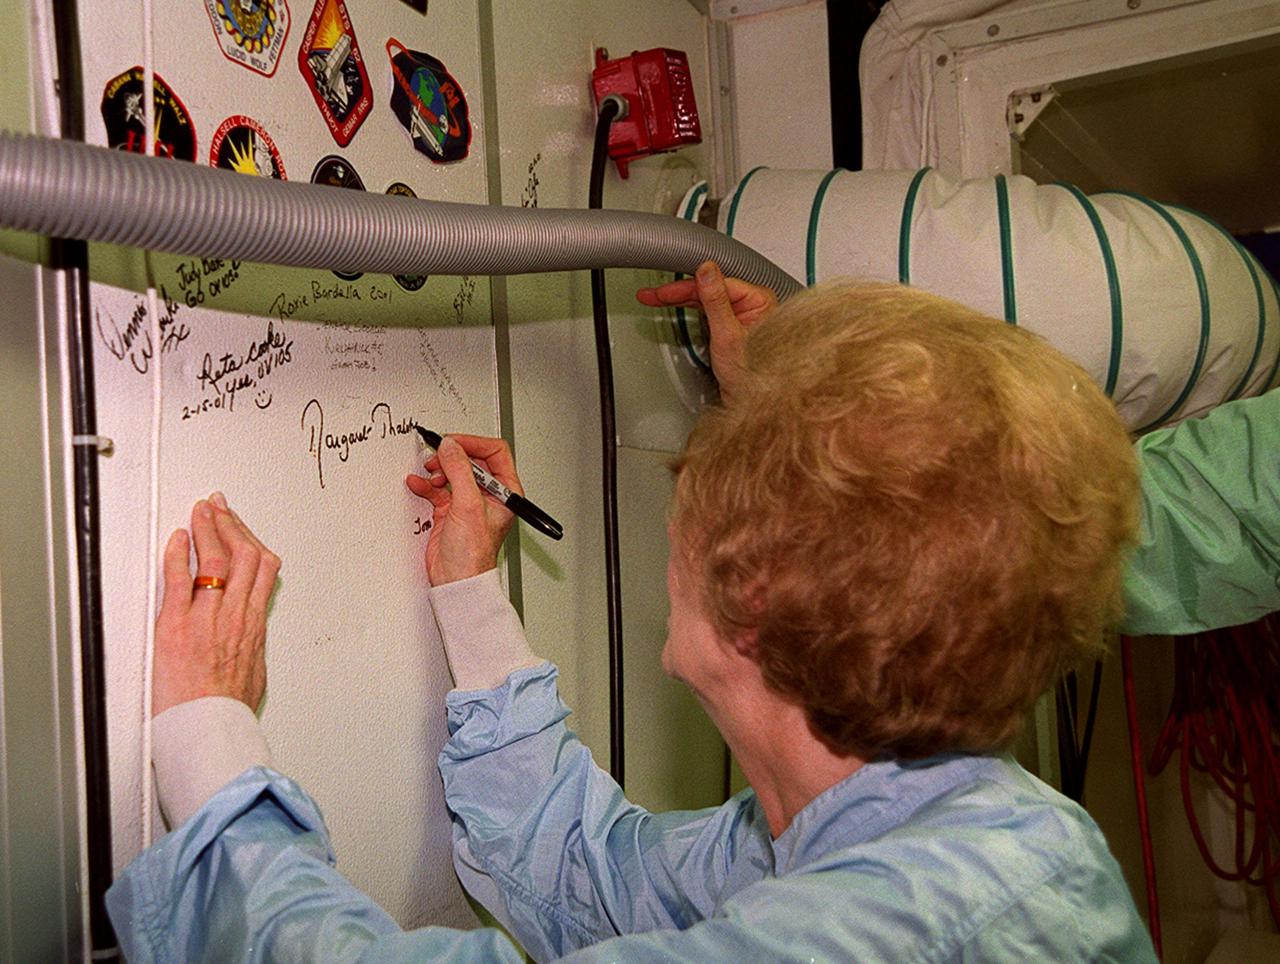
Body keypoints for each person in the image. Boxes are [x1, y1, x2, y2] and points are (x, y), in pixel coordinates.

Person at [107, 263, 1164, 961]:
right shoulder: (943, 820)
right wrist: (470, 594)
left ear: (746, 604)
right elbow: (589, 873)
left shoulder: (887, 933)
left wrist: (206, 739)